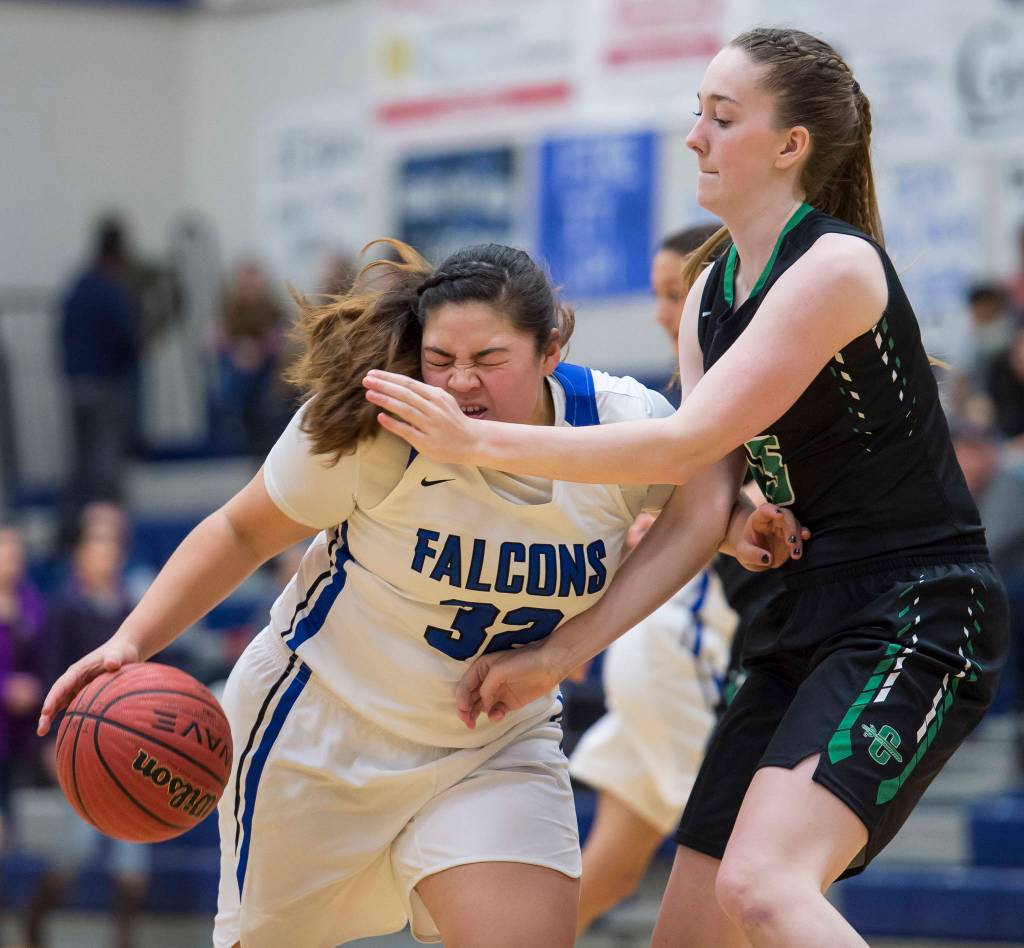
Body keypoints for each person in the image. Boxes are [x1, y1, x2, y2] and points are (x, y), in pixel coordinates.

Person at [363, 28, 1009, 948]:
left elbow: (686, 440)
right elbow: (703, 495)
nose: (695, 137)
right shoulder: (708, 295)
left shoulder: (835, 265)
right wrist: (571, 644)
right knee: (692, 934)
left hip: (918, 606)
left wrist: (474, 437)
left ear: (790, 145)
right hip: (797, 617)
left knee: (766, 887)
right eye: (695, 114)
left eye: (721, 116)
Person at [37, 240, 801, 948]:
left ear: (552, 353)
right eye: (441, 359)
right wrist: (131, 642)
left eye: (489, 358)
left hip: (491, 742)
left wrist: (740, 525)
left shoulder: (618, 425)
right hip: (326, 730)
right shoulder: (374, 429)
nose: (460, 381)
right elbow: (241, 532)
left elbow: (695, 509)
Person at [568, 225, 744, 935]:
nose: (663, 313)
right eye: (663, 294)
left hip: (659, 648)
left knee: (607, 871)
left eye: (677, 294)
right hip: (678, 650)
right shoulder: (702, 401)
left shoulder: (738, 388)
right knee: (750, 868)